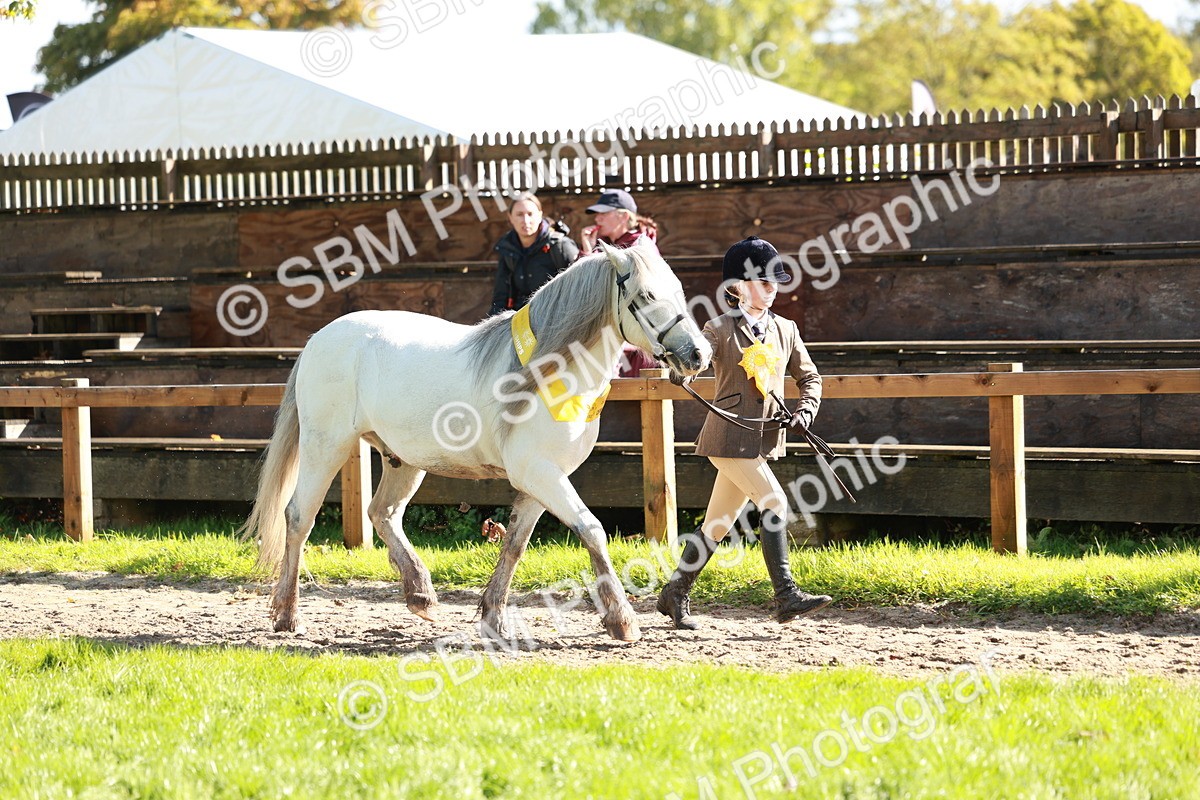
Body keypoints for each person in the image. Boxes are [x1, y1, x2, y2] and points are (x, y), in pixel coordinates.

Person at [657, 236, 833, 630]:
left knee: (716, 524)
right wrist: (681, 365)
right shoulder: (718, 328)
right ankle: (786, 595)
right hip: (727, 437)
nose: (772, 289)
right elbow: (697, 357)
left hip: (763, 440)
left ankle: (674, 593)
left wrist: (805, 409)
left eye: (775, 282)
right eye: (763, 282)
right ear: (737, 287)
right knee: (775, 502)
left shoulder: (786, 329)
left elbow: (810, 377)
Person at [490, 192, 580, 315]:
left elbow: (580, 290)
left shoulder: (560, 245)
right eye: (519, 215)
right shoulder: (507, 248)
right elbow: (500, 297)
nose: (526, 220)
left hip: (558, 320)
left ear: (540, 215)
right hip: (520, 322)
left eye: (530, 214)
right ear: (510, 217)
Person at [580, 188, 658, 253]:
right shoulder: (600, 245)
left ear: (624, 216)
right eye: (597, 214)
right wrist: (588, 251)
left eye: (604, 213)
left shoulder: (641, 247)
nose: (596, 219)